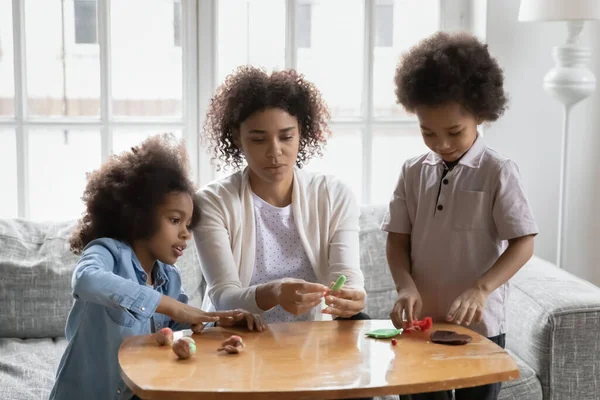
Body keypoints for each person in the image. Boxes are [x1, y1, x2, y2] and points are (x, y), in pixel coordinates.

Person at [50, 134, 264, 400]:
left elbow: (182, 331)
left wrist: (223, 326)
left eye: (188, 224)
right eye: (175, 220)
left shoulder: (169, 277)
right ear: (139, 214)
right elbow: (86, 281)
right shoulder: (106, 252)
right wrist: (168, 304)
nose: (186, 234)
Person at [383, 32, 538, 400]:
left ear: (480, 113)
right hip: (420, 325)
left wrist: (481, 289)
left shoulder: (498, 171)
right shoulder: (411, 171)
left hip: (481, 327)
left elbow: (523, 242)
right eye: (427, 132)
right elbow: (396, 239)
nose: (441, 144)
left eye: (454, 131)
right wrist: (404, 285)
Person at [195, 66, 368, 325]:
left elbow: (348, 276)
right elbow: (224, 298)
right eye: (258, 139)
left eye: (286, 136)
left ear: (302, 132)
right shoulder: (213, 202)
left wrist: (352, 297)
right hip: (239, 339)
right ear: (237, 138)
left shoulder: (334, 195)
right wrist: (274, 292)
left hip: (314, 341)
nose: (275, 152)